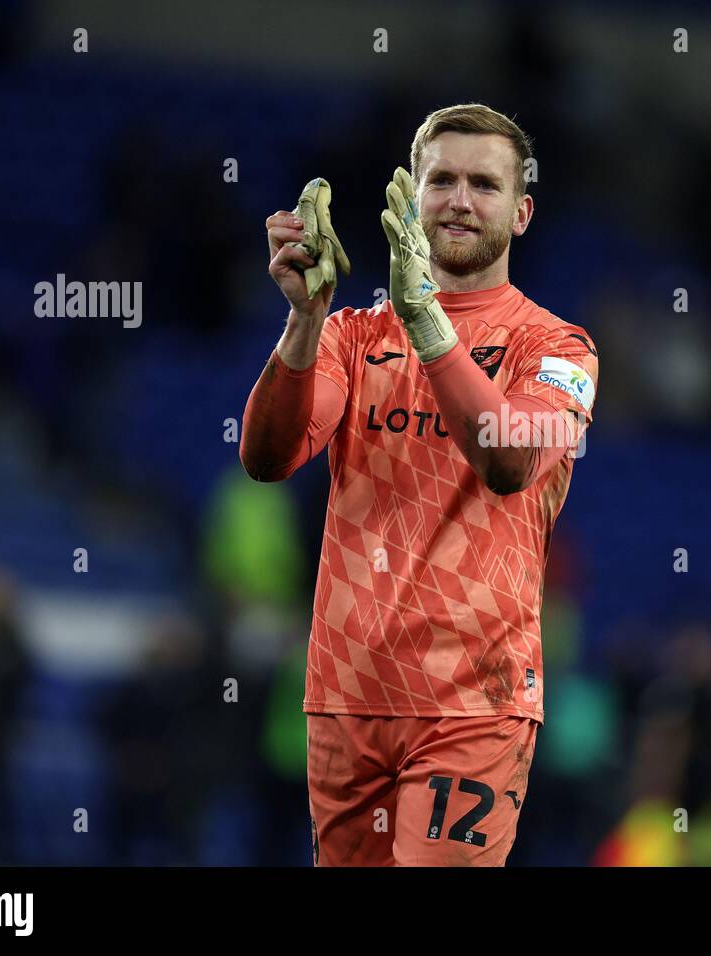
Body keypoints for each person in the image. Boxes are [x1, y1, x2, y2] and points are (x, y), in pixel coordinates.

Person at [240, 103, 598, 866]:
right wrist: (305, 319)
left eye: (484, 184)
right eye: (441, 180)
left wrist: (426, 321)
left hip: (475, 698)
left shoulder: (559, 347)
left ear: (522, 211)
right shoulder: (352, 336)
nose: (460, 200)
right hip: (347, 696)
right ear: (412, 194)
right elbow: (267, 458)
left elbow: (507, 457)